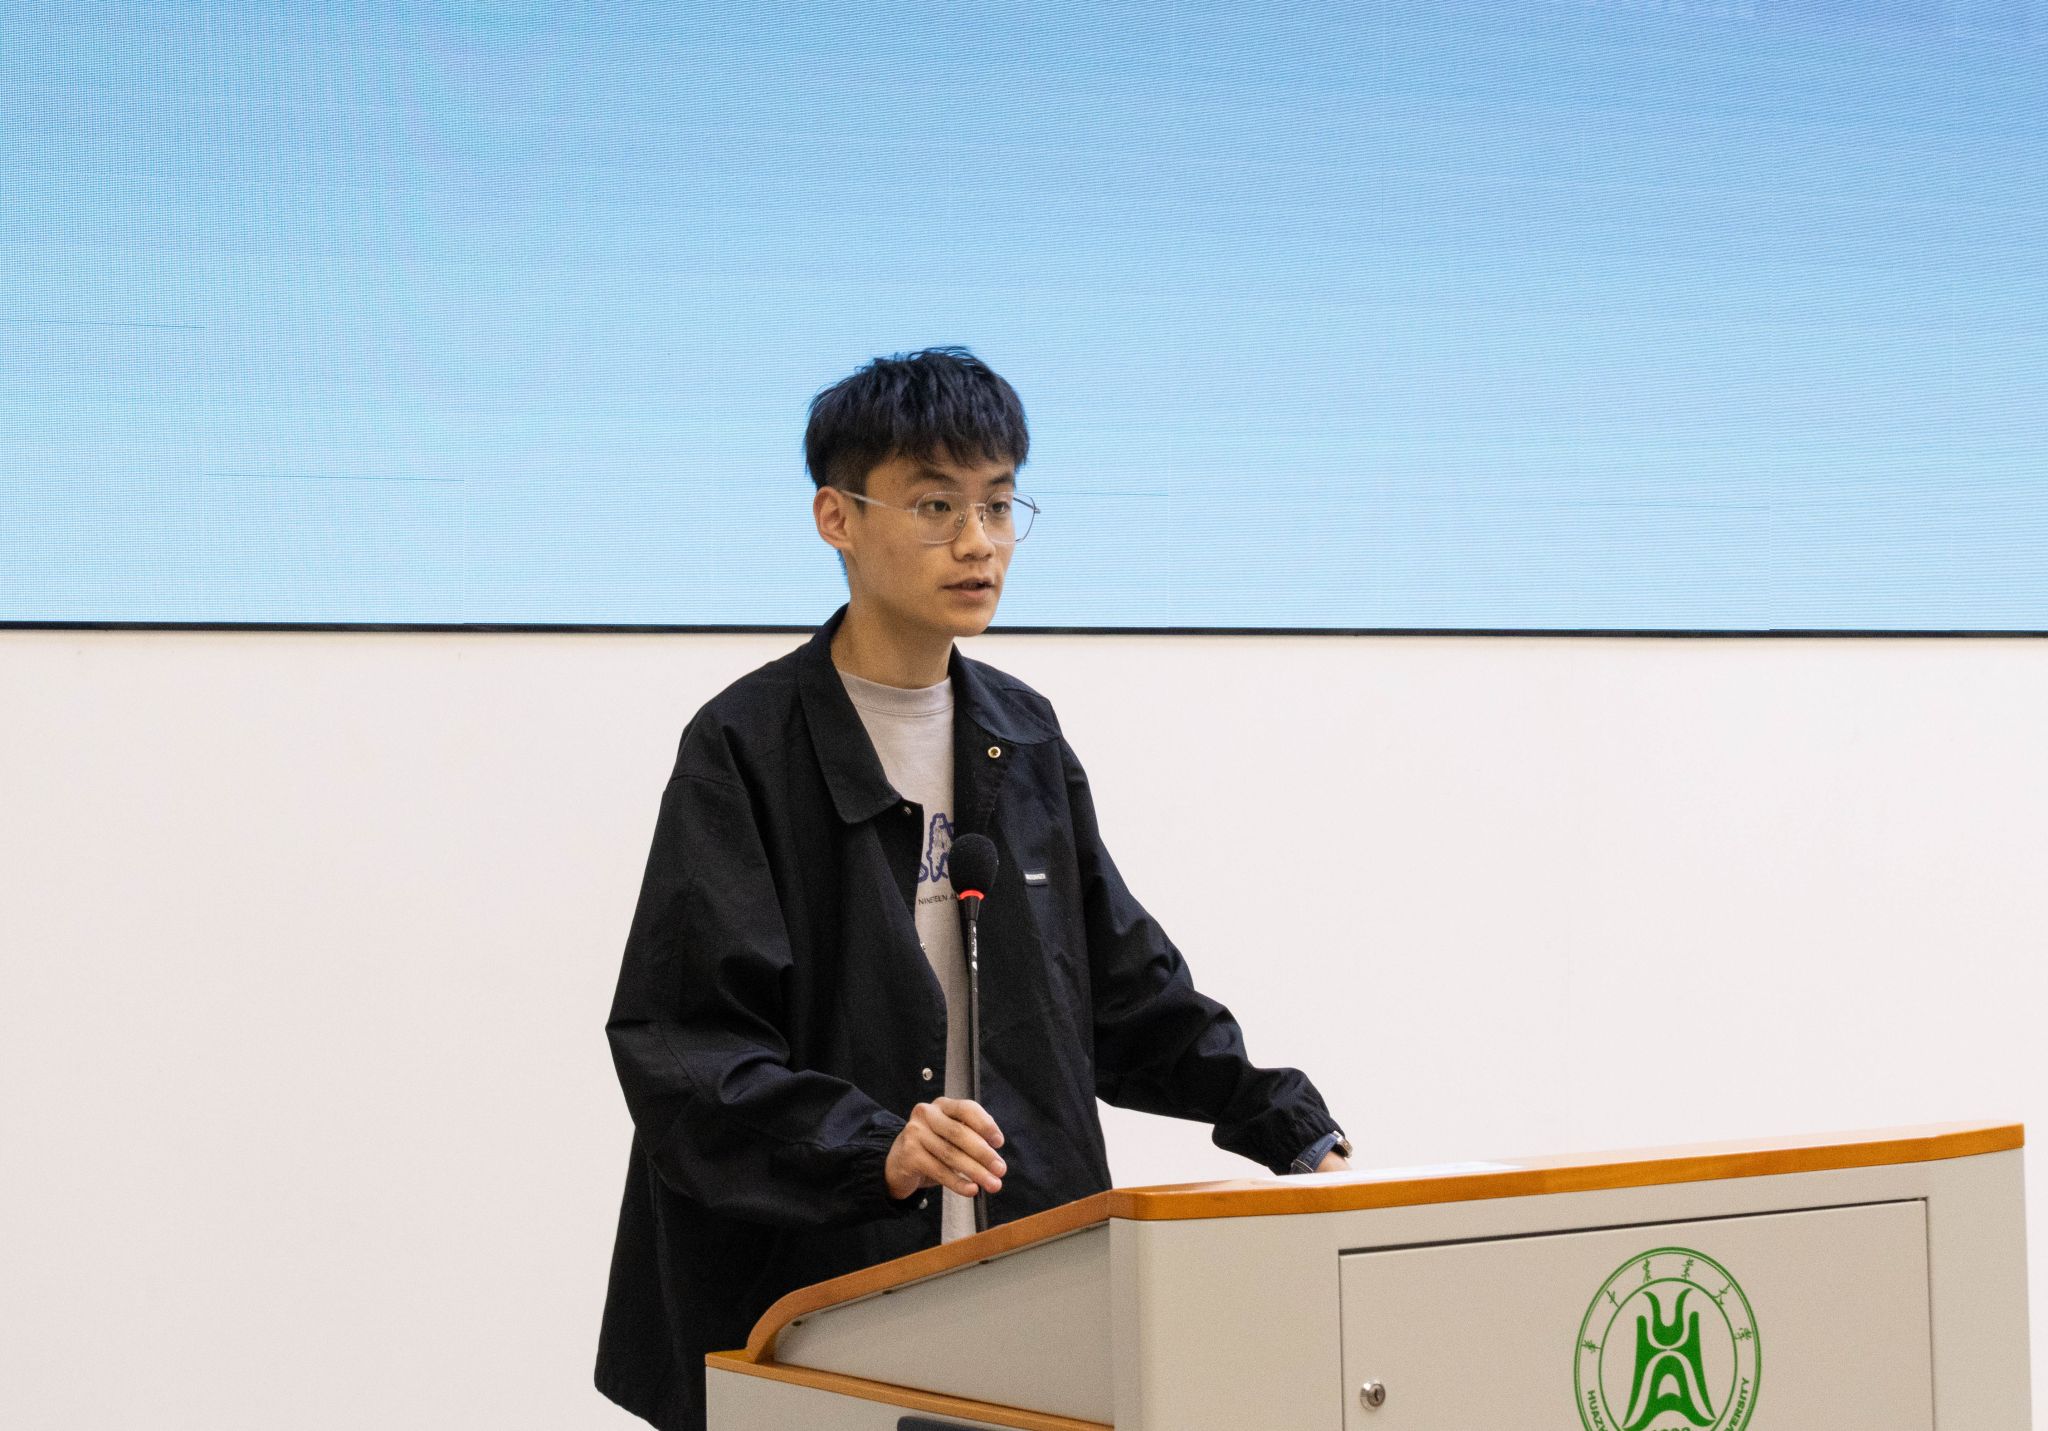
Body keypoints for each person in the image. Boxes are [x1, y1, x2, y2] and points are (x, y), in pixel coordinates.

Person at [593, 346, 1351, 1431]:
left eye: (998, 505)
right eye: (935, 505)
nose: (977, 541)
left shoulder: (1022, 733)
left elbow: (1119, 989)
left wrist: (1285, 1123)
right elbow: (686, 1046)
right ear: (836, 517)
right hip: (814, 1292)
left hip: (1020, 1275)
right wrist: (875, 1147)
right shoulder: (744, 747)